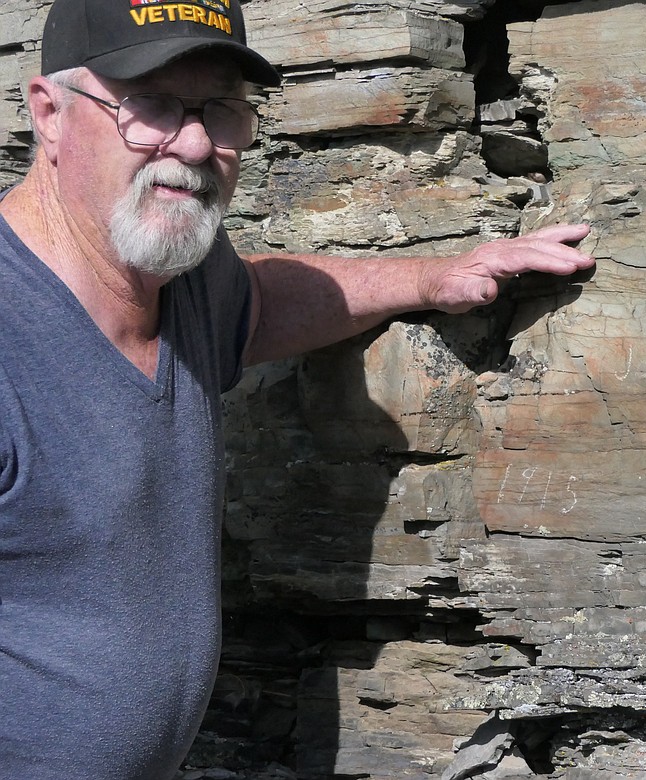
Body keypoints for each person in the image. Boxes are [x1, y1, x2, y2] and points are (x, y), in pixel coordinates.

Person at [0, 0, 594, 776]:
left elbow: (259, 303)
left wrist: (432, 277)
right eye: (149, 106)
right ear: (49, 111)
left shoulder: (178, 281)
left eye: (220, 110)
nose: (192, 144)